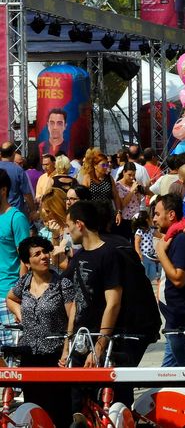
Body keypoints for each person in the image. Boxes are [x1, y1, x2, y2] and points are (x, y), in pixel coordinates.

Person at [6, 236, 74, 428]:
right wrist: (20, 312)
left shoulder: (62, 283)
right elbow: (10, 298)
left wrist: (67, 350)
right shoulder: (24, 283)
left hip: (55, 356)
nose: (44, 256)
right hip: (29, 356)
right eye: (37, 254)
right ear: (28, 262)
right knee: (33, 410)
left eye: (45, 251)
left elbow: (73, 319)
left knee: (58, 411)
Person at [64, 200, 123, 414]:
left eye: (69, 225)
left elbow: (113, 303)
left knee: (100, 408)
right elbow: (75, 303)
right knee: (77, 409)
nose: (67, 230)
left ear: (79, 224)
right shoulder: (78, 257)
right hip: (78, 344)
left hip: (100, 344)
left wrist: (99, 348)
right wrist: (67, 346)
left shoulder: (108, 253)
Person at [152, 194, 185, 366]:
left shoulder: (183, 240)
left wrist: (160, 253)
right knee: (170, 375)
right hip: (174, 319)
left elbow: (178, 279)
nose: (154, 219)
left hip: (183, 322)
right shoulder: (174, 239)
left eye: (158, 214)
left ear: (172, 214)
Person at [0, 170, 31, 342]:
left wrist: (20, 296)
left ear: (3, 190)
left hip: (8, 295)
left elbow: (25, 260)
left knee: (10, 354)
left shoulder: (16, 218)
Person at [0, 142, 34, 215]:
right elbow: (27, 194)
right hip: (14, 213)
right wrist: (33, 210)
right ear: (13, 153)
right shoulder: (18, 170)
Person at [133, 210, 160, 283]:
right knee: (145, 274)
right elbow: (137, 244)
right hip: (143, 257)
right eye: (150, 218)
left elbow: (159, 235)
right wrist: (139, 254)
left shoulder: (151, 230)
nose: (152, 219)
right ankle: (145, 286)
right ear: (147, 220)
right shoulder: (139, 231)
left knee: (152, 274)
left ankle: (148, 283)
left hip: (151, 256)